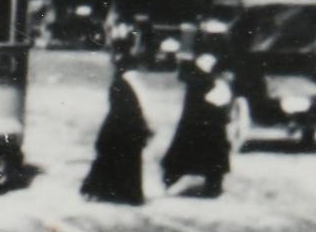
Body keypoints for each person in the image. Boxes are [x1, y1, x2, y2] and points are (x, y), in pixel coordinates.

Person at [80, 58, 154, 206]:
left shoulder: (119, 83)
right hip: (128, 128)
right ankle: (124, 193)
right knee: (125, 161)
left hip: (117, 127)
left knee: (109, 159)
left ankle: (102, 191)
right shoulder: (131, 84)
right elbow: (139, 108)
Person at [161, 55, 234, 199]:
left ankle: (172, 179)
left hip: (194, 123)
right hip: (210, 125)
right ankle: (212, 186)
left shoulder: (196, 80)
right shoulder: (212, 82)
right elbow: (221, 101)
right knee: (213, 156)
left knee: (185, 151)